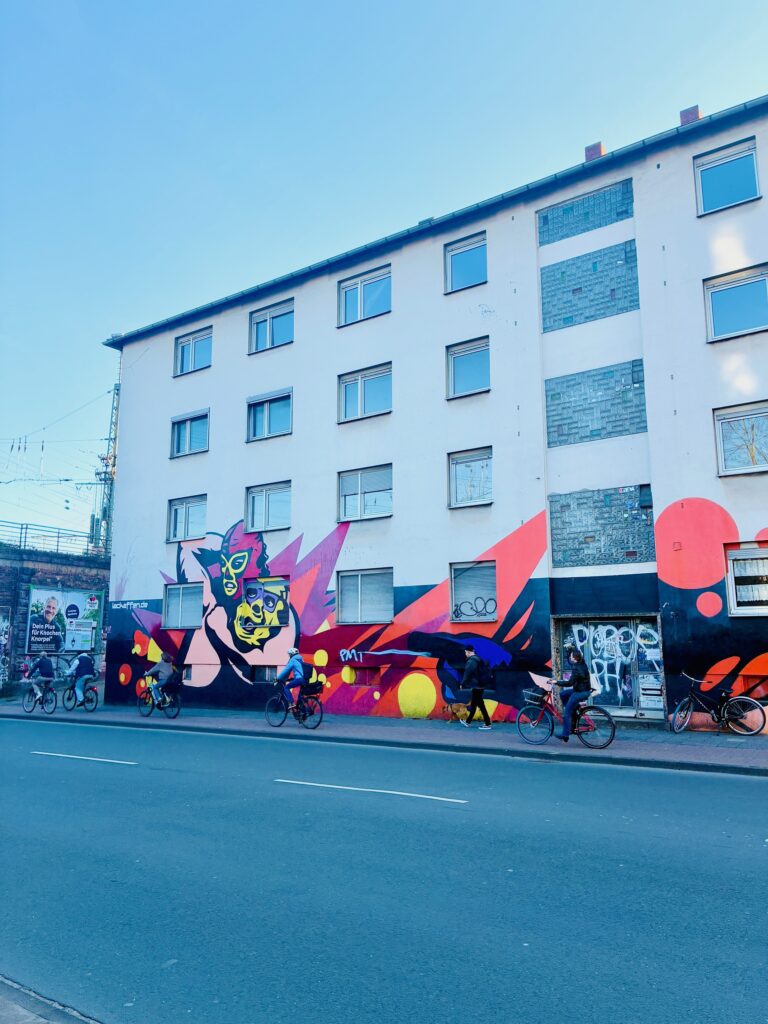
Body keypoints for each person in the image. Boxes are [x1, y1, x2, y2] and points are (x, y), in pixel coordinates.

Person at [557, 649, 592, 742]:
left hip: (580, 693)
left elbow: (569, 683)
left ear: (575, 658)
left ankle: (565, 735)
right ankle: (573, 711)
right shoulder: (582, 664)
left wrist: (556, 682)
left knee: (566, 713)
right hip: (582, 690)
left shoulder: (576, 668)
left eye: (571, 656)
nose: (570, 657)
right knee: (563, 694)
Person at [458, 644, 492, 730]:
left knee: (481, 705)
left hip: (476, 686)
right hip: (479, 685)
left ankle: (487, 724)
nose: (465, 654)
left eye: (465, 652)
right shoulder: (478, 659)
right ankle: (468, 722)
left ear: (469, 652)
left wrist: (463, 683)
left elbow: (468, 672)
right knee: (474, 704)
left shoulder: (472, 661)